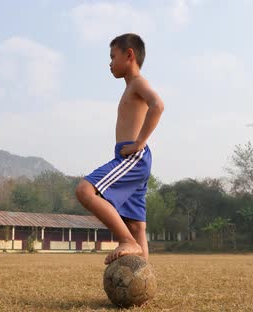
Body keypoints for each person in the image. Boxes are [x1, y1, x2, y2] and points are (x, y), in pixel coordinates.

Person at [75, 33, 164, 264]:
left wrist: (139, 142)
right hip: (132, 157)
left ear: (129, 55)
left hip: (133, 156)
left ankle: (126, 241)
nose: (110, 63)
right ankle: (142, 282)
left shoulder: (138, 82)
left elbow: (158, 105)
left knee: (85, 190)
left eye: (113, 56)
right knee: (136, 225)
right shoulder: (130, 87)